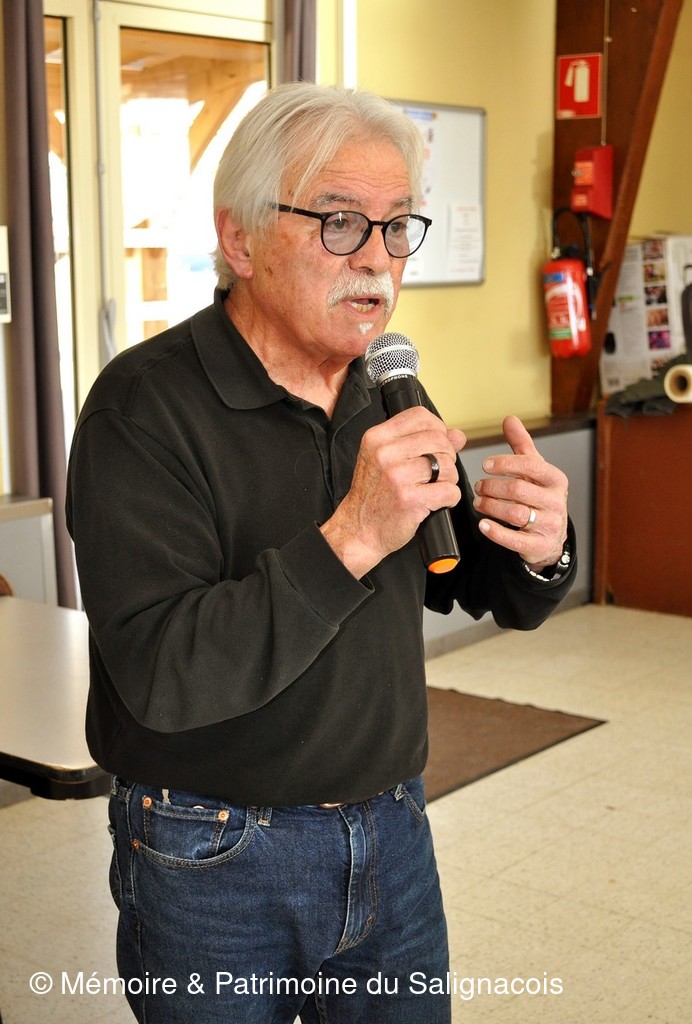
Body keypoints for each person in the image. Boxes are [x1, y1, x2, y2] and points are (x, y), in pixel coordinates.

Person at [66, 82, 576, 1024]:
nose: (378, 259)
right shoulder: (141, 410)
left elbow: (466, 578)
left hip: (393, 827)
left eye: (397, 226)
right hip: (210, 847)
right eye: (340, 222)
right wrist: (351, 536)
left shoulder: (387, 385)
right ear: (240, 239)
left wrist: (537, 548)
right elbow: (164, 673)